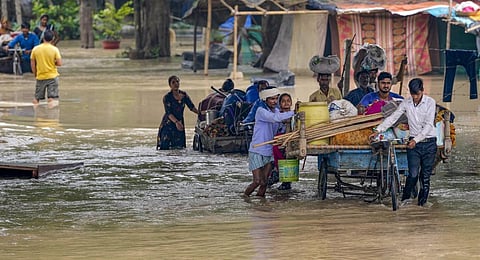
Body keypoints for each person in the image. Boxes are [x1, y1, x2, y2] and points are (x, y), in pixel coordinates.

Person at [370, 78, 437, 206]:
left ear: (423, 91)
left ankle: (422, 205)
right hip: (413, 144)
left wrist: (416, 140)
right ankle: (405, 199)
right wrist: (378, 130)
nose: (415, 97)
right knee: (412, 174)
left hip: (429, 143)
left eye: (417, 94)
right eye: (413, 94)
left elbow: (429, 125)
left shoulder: (430, 102)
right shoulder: (406, 103)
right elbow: (393, 117)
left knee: (425, 177)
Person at [244, 88, 295, 198]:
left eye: (276, 98)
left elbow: (281, 123)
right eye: (272, 99)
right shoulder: (261, 111)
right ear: (265, 99)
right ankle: (244, 198)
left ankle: (260, 205)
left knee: (265, 182)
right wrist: (294, 112)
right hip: (257, 150)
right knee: (257, 181)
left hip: (268, 151)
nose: (274, 101)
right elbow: (275, 118)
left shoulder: (276, 111)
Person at [157, 75, 199, 150]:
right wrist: (177, 122)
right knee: (165, 149)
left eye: (177, 82)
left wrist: (200, 113)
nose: (176, 84)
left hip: (180, 122)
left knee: (179, 148)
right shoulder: (167, 97)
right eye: (173, 82)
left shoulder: (184, 95)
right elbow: (168, 113)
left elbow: (191, 107)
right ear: (170, 85)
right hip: (169, 123)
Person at [30, 30, 62, 107]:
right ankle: (51, 117)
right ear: (52, 39)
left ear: (43, 38)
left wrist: (36, 74)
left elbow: (33, 64)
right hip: (52, 77)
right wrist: (52, 62)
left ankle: (37, 115)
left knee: (36, 98)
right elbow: (59, 63)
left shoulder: (35, 49)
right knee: (51, 99)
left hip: (40, 76)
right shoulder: (54, 49)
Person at [273, 93, 294, 190]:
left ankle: (286, 180)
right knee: (276, 145)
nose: (286, 103)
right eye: (283, 101)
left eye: (288, 101)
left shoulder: (295, 115)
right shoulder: (277, 115)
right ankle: (279, 172)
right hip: (280, 140)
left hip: (292, 139)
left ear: (291, 103)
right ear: (280, 104)